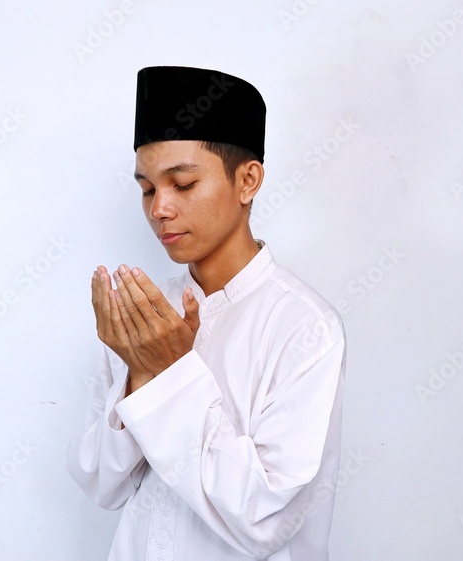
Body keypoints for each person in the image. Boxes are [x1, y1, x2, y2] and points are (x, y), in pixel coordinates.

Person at [66, 65, 347, 560]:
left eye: (183, 183)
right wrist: (139, 377)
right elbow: (101, 484)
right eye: (147, 189)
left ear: (247, 181)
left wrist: (169, 374)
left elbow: (263, 521)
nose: (159, 209)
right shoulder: (146, 317)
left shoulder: (305, 327)